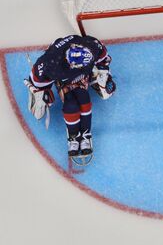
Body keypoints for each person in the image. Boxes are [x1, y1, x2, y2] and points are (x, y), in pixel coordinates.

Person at [24, 35, 116, 163]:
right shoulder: (50, 63)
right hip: (63, 78)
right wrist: (41, 95)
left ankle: (85, 134)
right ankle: (74, 136)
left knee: (84, 99)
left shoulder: (92, 46)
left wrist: (103, 74)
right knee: (71, 105)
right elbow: (36, 80)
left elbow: (103, 59)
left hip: (78, 74)